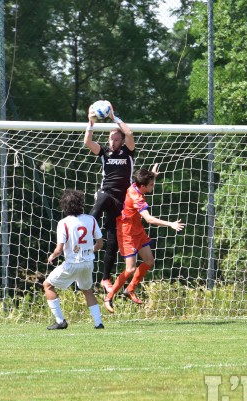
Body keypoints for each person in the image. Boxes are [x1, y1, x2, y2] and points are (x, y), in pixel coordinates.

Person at [103, 165, 185, 311]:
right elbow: (149, 219)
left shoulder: (136, 185)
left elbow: (141, 180)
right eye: (151, 184)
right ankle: (109, 297)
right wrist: (170, 224)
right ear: (143, 186)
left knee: (149, 261)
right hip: (127, 232)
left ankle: (130, 289)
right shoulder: (137, 198)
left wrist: (152, 175)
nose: (153, 186)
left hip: (137, 230)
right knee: (130, 269)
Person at [83, 100, 135, 304]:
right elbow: (88, 142)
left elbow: (129, 134)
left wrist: (114, 118)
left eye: (115, 138)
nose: (112, 141)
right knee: (101, 196)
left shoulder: (128, 152)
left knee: (113, 241)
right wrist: (90, 122)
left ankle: (105, 278)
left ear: (121, 141)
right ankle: (85, 229)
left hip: (122, 202)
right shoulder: (104, 152)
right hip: (106, 195)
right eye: (111, 138)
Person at [43, 189, 105, 330]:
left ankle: (60, 321)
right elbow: (100, 243)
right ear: (81, 203)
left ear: (64, 206)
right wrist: (89, 250)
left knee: (47, 285)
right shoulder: (91, 220)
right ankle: (98, 323)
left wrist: (53, 255)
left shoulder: (63, 223)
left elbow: (59, 249)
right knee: (87, 290)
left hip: (72, 263)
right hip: (88, 263)